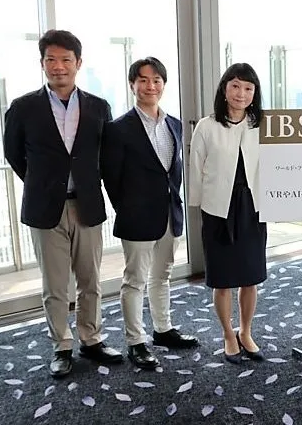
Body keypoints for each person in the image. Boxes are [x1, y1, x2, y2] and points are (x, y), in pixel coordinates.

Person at [3, 29, 121, 378]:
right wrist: (43, 185)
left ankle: (92, 339)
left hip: (87, 205)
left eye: (65, 60)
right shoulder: (23, 108)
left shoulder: (99, 107)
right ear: (42, 63)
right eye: (51, 60)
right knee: (55, 286)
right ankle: (61, 345)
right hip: (45, 209)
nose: (58, 66)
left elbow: (107, 156)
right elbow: (14, 154)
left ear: (78, 63)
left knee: (91, 280)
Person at [101, 57, 199, 370]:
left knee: (162, 276)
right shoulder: (118, 128)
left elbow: (173, 172)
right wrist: (128, 208)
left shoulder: (174, 124)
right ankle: (135, 341)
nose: (150, 86)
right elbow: (111, 178)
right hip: (136, 216)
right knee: (134, 281)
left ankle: (163, 329)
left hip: (169, 214)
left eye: (156, 80)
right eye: (143, 80)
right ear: (132, 85)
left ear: (163, 85)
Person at [188, 62, 267, 364]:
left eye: (248, 88)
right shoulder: (207, 126)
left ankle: (245, 331)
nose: (241, 93)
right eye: (235, 86)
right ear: (224, 89)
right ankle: (227, 334)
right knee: (222, 279)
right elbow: (196, 169)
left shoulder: (261, 125)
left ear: (254, 93)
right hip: (218, 209)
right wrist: (198, 207)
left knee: (250, 277)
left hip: (252, 208)